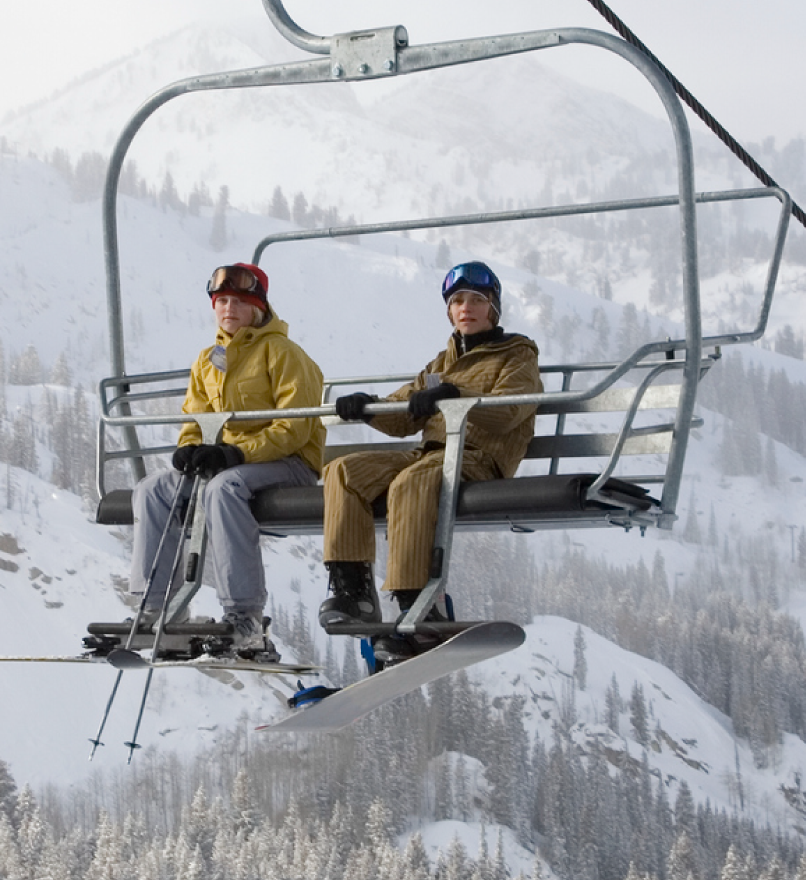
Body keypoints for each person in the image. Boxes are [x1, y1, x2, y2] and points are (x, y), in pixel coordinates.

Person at [318, 262, 541, 634]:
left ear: (493, 308)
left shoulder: (516, 356)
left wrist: (456, 395)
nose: (465, 308)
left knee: (412, 482)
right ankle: (352, 590)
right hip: (432, 454)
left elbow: (509, 411)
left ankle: (417, 602)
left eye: (476, 300)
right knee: (344, 470)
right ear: (449, 311)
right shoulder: (443, 361)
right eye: (457, 301)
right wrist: (368, 407)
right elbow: (404, 415)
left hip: (478, 459)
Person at [131, 264, 324, 662]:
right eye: (221, 302)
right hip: (230, 465)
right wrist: (190, 447)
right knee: (151, 490)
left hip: (287, 464)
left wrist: (237, 453)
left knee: (224, 489)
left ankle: (245, 617)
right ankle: (157, 612)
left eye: (239, 301)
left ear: (258, 307)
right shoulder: (208, 360)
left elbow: (296, 426)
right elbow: (195, 417)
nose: (229, 309)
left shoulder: (284, 354)